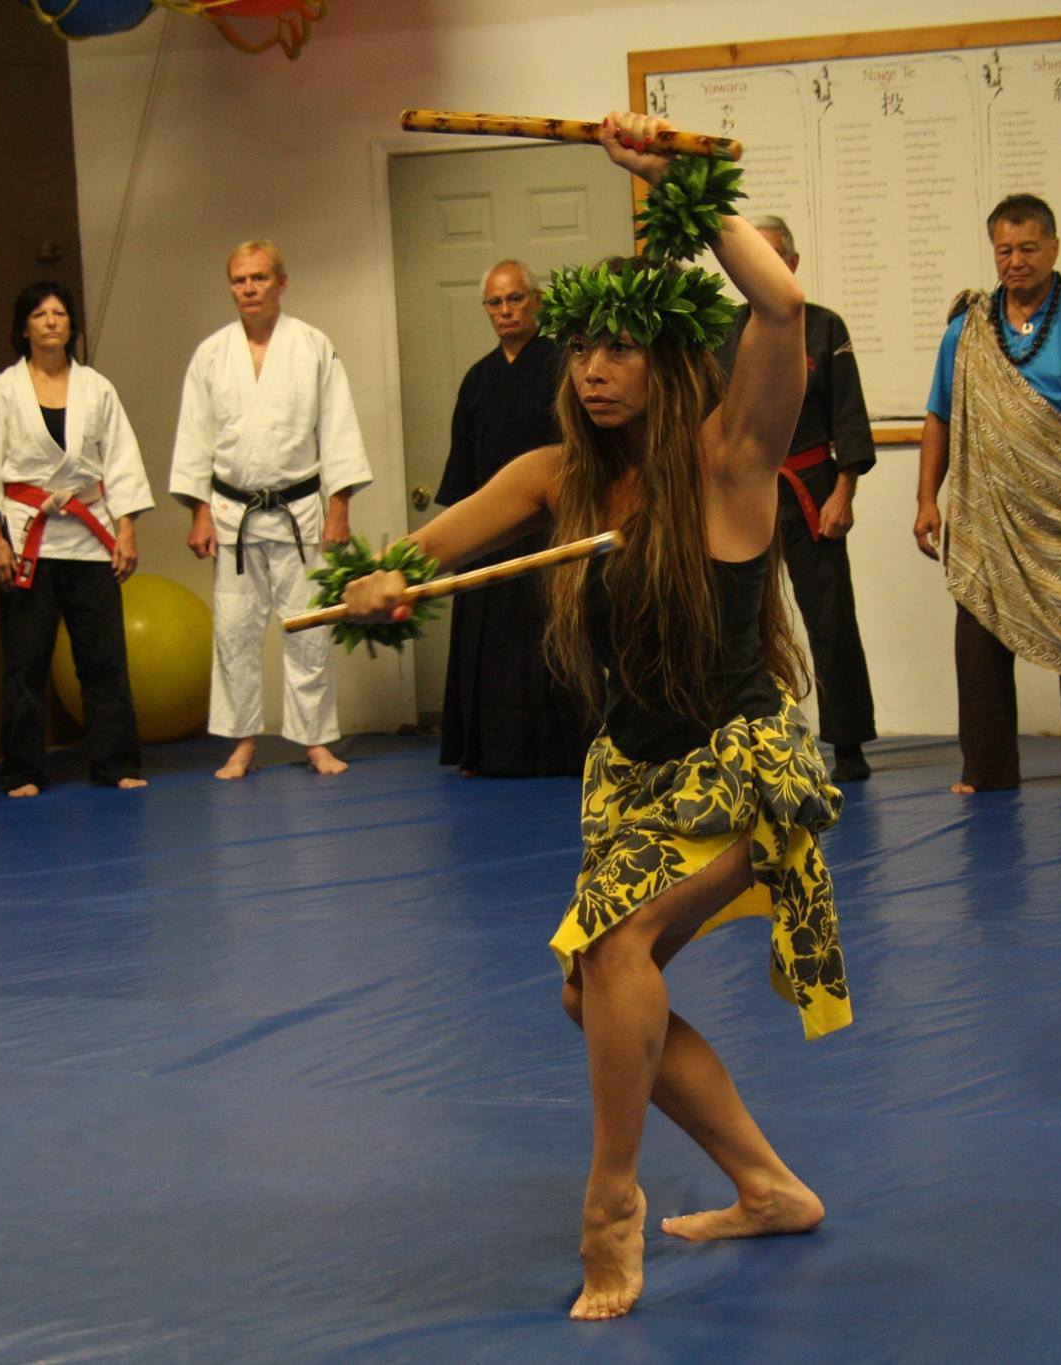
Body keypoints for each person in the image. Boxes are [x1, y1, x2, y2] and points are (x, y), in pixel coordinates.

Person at [342, 112, 850, 1321]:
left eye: (619, 350)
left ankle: (609, 1200)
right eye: (582, 351)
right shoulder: (561, 477)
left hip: (735, 765)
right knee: (594, 992)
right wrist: (379, 576)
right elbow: (435, 538)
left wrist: (688, 187)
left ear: (667, 360)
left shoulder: (730, 458)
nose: (592, 370)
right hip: (630, 774)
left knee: (615, 954)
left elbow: (778, 312)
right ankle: (767, 1184)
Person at [911, 193, 1061, 795]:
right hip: (985, 515)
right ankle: (986, 767)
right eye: (1004, 250)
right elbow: (939, 418)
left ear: (1053, 246)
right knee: (979, 636)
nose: (1015, 261)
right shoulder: (966, 330)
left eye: (1027, 248)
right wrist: (925, 500)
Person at [169, 239, 372, 779]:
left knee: (307, 628)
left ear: (282, 283)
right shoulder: (211, 354)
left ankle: (315, 741)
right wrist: (199, 512)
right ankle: (241, 742)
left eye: (259, 278)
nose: (249, 288)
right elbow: (195, 437)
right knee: (234, 632)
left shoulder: (313, 347)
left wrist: (340, 506)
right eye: (239, 280)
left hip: (299, 513)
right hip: (232, 516)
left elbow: (339, 429)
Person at [0, 281, 154, 797]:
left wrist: (127, 529)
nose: (51, 321)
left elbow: (121, 461)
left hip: (91, 538)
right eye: (40, 313)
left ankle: (116, 762)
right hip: (28, 536)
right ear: (24, 326)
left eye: (59, 313)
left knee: (104, 659)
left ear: (71, 325)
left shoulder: (97, 388)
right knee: (25, 661)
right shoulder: (1, 392)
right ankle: (24, 770)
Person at [715, 216, 879, 783]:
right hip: (742, 494)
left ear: (791, 265)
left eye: (770, 256)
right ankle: (738, 734)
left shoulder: (824, 327)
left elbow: (848, 415)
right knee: (738, 619)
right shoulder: (720, 331)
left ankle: (849, 742)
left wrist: (845, 490)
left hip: (811, 489)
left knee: (831, 618)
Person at [434, 258, 591, 776]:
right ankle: (486, 750)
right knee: (489, 645)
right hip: (488, 527)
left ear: (537, 299)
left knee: (552, 637)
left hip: (549, 523)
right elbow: (463, 457)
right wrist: (454, 526)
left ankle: (563, 749)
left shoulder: (560, 364)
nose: (505, 311)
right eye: (495, 302)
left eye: (515, 298)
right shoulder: (477, 379)